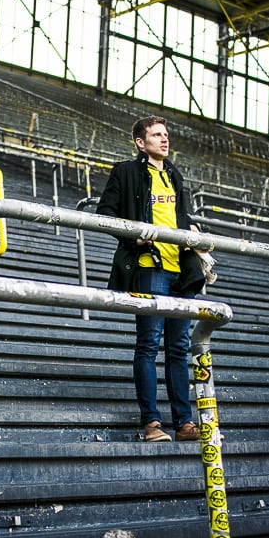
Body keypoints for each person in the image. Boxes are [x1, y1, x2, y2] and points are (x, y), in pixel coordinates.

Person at [97, 115, 206, 443]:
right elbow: (104, 215)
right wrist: (136, 237)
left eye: (166, 134)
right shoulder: (125, 172)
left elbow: (178, 216)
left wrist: (191, 234)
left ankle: (184, 424)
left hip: (180, 270)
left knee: (178, 347)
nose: (164, 139)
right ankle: (152, 424)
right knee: (148, 344)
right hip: (148, 267)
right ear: (140, 143)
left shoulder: (174, 174)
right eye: (156, 135)